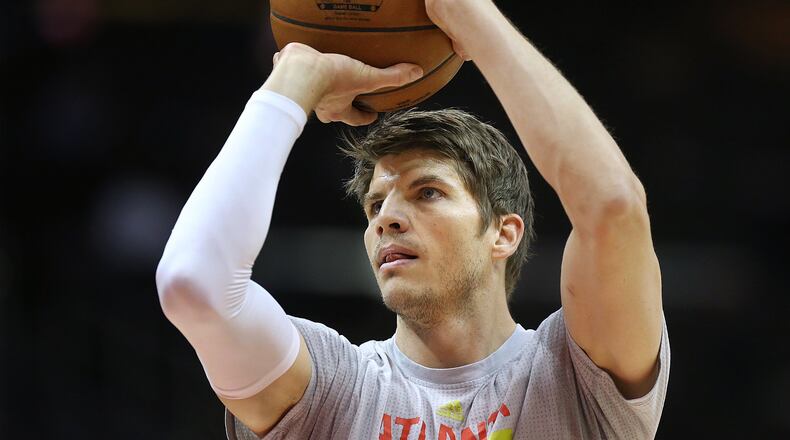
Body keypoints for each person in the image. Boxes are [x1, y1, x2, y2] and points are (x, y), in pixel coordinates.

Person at [156, 0, 669, 438]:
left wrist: (467, 13)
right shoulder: (333, 390)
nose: (388, 220)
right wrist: (296, 75)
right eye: (375, 205)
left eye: (427, 193)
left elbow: (613, 208)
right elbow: (193, 283)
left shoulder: (572, 377)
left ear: (503, 233)